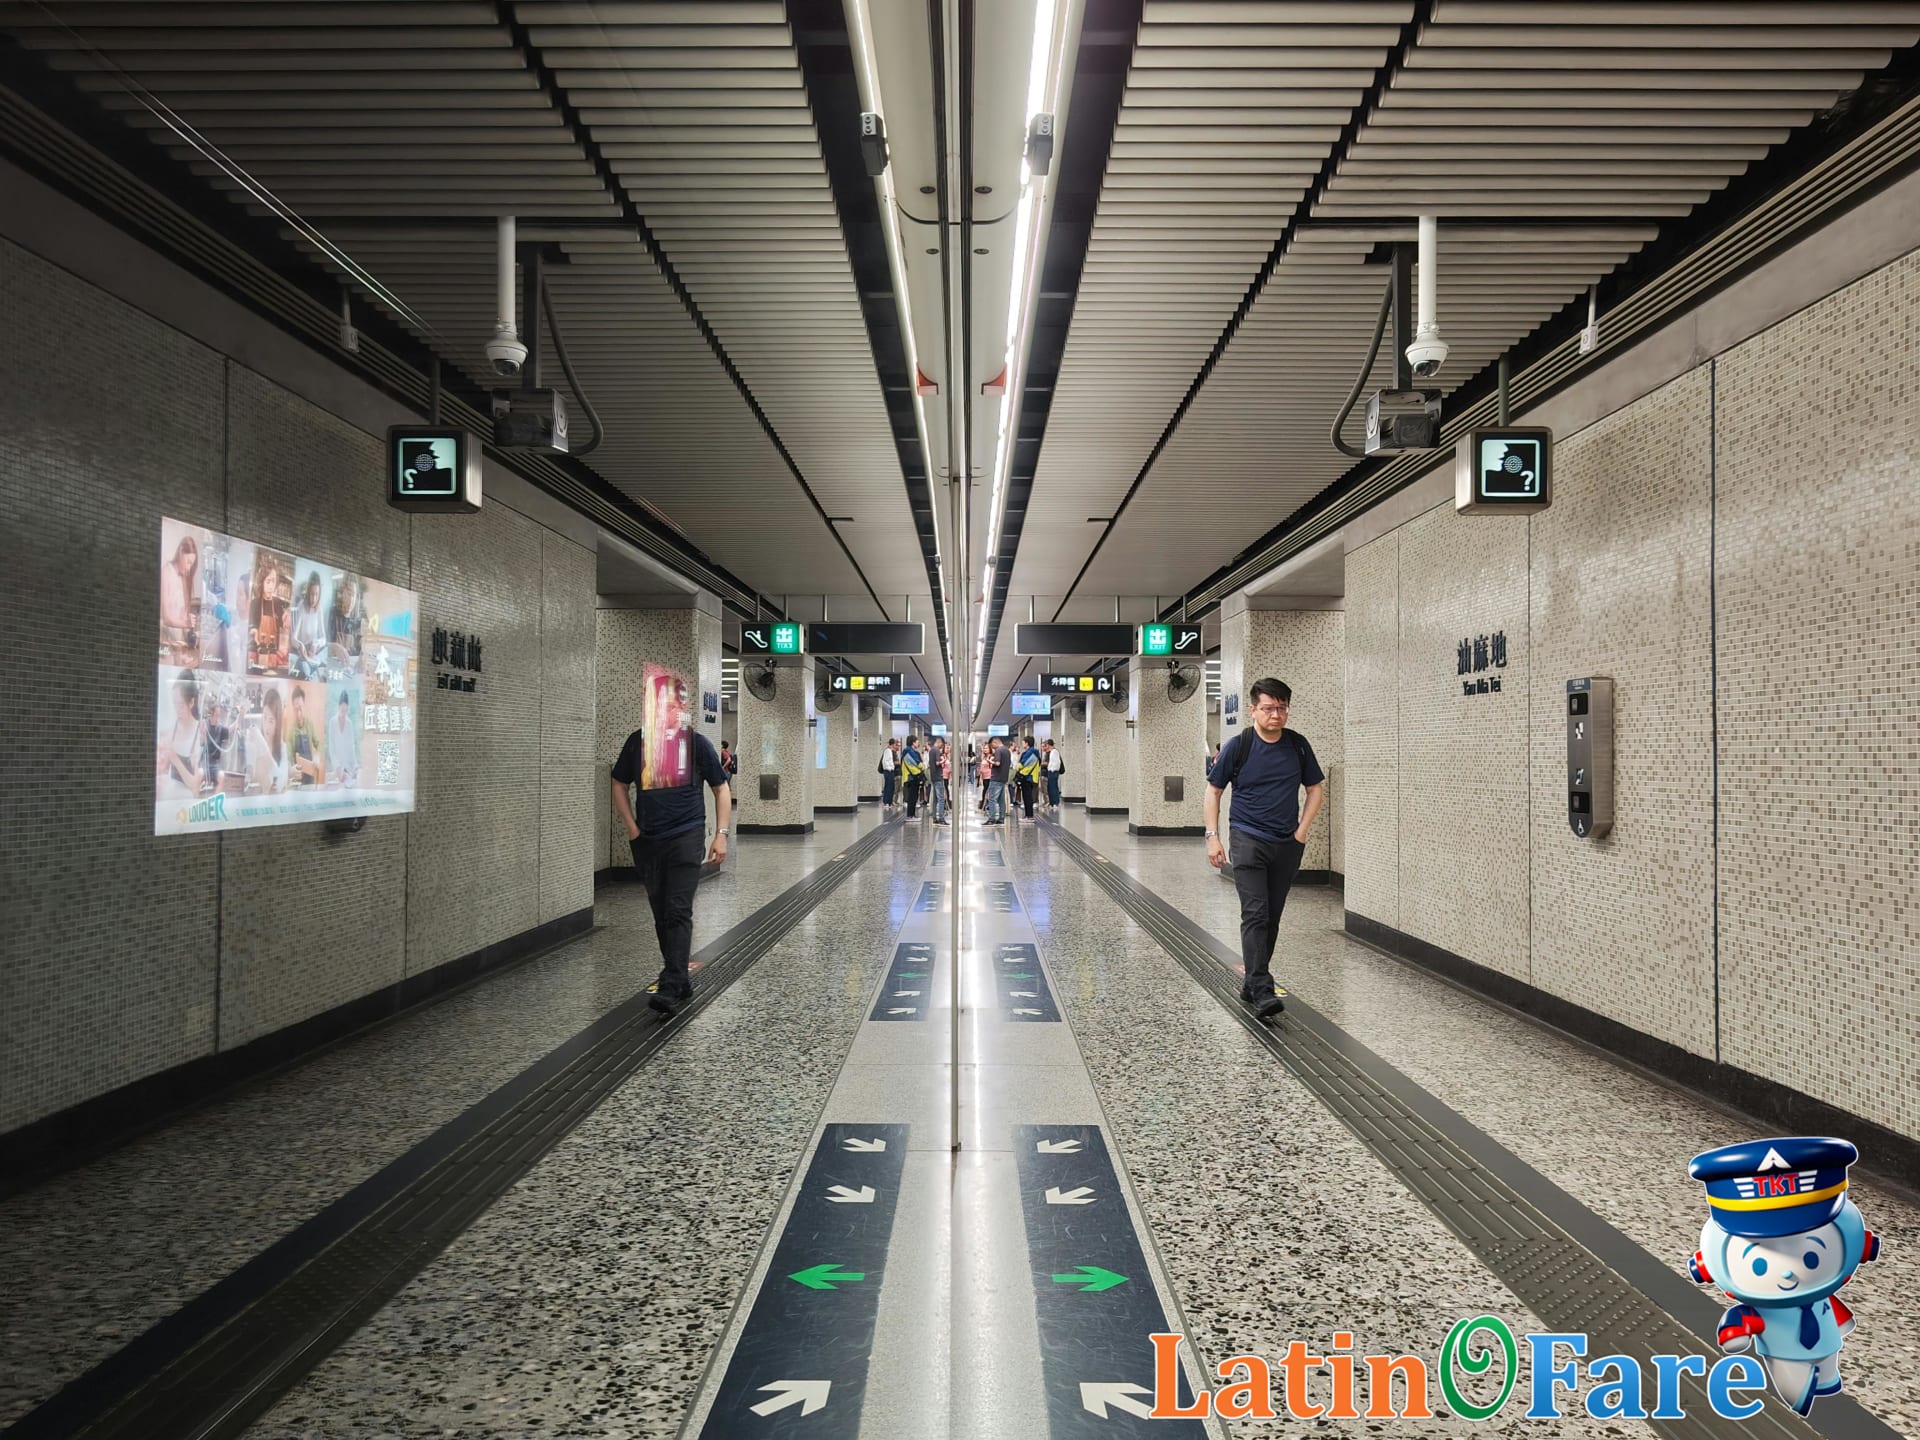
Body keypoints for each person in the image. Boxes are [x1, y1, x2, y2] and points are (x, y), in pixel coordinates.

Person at [1204, 677, 1325, 1019]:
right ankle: (1261, 989)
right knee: (1255, 913)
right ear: (1253, 710)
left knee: (1271, 917)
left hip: (1287, 843)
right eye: (1269, 708)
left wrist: (1302, 830)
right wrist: (1213, 836)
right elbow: (1214, 791)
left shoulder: (1298, 746)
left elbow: (1315, 788)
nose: (1276, 715)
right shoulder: (1239, 745)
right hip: (1247, 839)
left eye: (1282, 708)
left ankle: (1252, 982)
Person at [610, 712, 732, 1017]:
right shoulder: (638, 743)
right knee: (661, 913)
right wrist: (632, 828)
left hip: (686, 836)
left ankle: (671, 984)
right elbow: (618, 782)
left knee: (677, 909)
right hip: (648, 840)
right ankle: (680, 979)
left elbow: (720, 788)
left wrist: (721, 834)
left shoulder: (696, 743)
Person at [157, 669, 203, 797]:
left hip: (189, 803)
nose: (177, 710)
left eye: (181, 705)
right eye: (174, 704)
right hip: (170, 799)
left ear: (191, 702)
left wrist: (174, 757)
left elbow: (195, 785)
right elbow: (164, 769)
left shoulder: (200, 732)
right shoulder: (173, 729)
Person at [160, 534, 199, 661]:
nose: (189, 567)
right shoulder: (166, 572)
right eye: (188, 562)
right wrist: (185, 623)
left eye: (191, 564)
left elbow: (182, 615)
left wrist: (190, 629)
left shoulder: (183, 578)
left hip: (178, 644)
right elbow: (166, 618)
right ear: (181, 552)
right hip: (164, 641)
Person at [247, 686, 288, 793]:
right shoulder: (254, 744)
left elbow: (280, 783)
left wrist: (262, 745)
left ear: (277, 723)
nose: (266, 726)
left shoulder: (282, 748)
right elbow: (249, 779)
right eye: (264, 718)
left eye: (271, 721)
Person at [288, 571, 328, 679]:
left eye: (316, 594)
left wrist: (316, 643)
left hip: (313, 652)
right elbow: (293, 639)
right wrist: (300, 645)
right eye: (311, 594)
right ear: (308, 592)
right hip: (303, 652)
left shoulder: (319, 609)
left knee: (323, 671)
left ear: (319, 594)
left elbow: (324, 638)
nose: (313, 598)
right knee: (306, 673)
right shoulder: (302, 607)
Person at [249, 565, 288, 672]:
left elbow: (282, 630)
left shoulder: (278, 604)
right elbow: (252, 628)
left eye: (273, 581)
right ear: (261, 582)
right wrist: (253, 633)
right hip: (258, 655)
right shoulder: (255, 604)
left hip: (274, 658)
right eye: (268, 581)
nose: (271, 585)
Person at [288, 683, 323, 786]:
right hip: (297, 778)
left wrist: (318, 756)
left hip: (310, 777)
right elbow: (288, 754)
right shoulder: (291, 730)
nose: (299, 713)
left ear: (304, 706)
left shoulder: (310, 725)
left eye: (300, 708)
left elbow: (319, 744)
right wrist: (291, 770)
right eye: (296, 710)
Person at [326, 689, 359, 785]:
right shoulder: (332, 722)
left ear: (347, 708)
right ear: (338, 707)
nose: (343, 713)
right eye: (342, 710)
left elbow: (351, 747)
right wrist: (338, 768)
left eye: (345, 711)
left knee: (351, 785)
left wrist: (355, 766)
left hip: (348, 767)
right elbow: (332, 748)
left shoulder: (349, 723)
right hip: (337, 768)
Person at [328, 575, 363, 662]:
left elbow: (360, 651)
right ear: (342, 593)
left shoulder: (357, 622)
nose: (351, 599)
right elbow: (320, 644)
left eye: (354, 595)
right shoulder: (332, 614)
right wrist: (333, 646)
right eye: (349, 594)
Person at [985, 736, 1010, 826]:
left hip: (996, 778)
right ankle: (1001, 818)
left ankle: (991, 819)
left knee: (992, 799)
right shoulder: (1007, 750)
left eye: (992, 745)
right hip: (1003, 778)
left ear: (995, 742)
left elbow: (997, 763)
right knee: (1001, 800)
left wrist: (989, 761)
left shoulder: (998, 750)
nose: (992, 748)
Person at [1016, 735, 1041, 819]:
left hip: (1027, 777)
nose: (1022, 744)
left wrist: (1017, 767)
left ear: (1027, 743)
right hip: (1030, 777)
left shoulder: (1031, 752)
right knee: (1027, 797)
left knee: (1027, 797)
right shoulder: (1034, 752)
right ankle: (1028, 815)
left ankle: (1029, 816)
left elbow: (1022, 764)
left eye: (1023, 742)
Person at [901, 735, 925, 818]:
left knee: (913, 797)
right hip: (911, 777)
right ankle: (910, 815)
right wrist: (923, 766)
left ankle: (911, 815)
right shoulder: (909, 751)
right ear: (913, 742)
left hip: (911, 777)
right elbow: (917, 763)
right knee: (912, 797)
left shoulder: (908, 751)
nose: (918, 743)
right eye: (917, 742)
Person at [930, 738, 951, 826]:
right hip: (939, 776)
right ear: (939, 742)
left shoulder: (931, 750)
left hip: (933, 776)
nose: (942, 747)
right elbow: (938, 763)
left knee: (935, 799)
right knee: (941, 799)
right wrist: (944, 760)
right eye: (942, 745)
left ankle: (934, 818)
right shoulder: (936, 750)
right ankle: (941, 819)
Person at [1043, 738, 1064, 811]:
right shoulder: (1052, 752)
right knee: (1050, 787)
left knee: (1053, 787)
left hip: (1053, 772)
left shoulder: (1055, 752)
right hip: (1051, 771)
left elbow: (1056, 763)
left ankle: (1055, 802)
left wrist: (1051, 769)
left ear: (1049, 745)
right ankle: (1052, 803)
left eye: (1047, 745)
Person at [880, 738, 898, 809]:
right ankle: (886, 802)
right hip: (888, 771)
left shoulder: (890, 751)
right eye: (895, 744)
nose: (895, 745)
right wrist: (889, 768)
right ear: (893, 744)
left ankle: (889, 802)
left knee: (891, 787)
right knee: (888, 787)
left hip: (891, 771)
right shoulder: (887, 751)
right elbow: (884, 761)